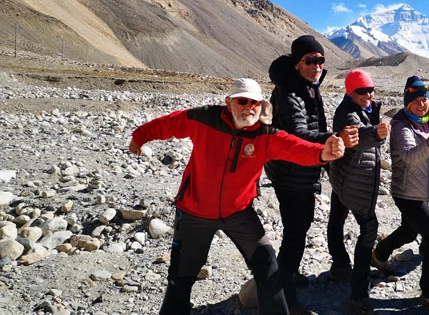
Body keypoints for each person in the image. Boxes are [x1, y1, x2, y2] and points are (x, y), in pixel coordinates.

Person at [128, 78, 345, 315]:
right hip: (194, 212)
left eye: (255, 103)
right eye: (243, 101)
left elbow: (295, 148)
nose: (249, 108)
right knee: (181, 276)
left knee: (267, 264)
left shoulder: (265, 135)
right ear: (228, 102)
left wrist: (323, 153)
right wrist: (139, 137)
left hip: (238, 212)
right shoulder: (204, 119)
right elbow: (169, 123)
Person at [265, 35, 359, 314]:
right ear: (297, 64)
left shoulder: (306, 85)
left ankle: (287, 278)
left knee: (299, 226)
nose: (316, 65)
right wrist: (333, 137)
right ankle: (285, 298)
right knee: (295, 231)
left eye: (320, 60)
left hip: (298, 169)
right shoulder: (290, 90)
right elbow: (296, 133)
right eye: (310, 61)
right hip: (290, 172)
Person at [372, 76, 429, 313]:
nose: (421, 104)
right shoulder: (401, 126)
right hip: (407, 192)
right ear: (407, 102)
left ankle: (379, 254)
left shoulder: (427, 121)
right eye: (416, 100)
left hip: (419, 190)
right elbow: (409, 158)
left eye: (425, 99)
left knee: (411, 230)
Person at [327, 69, 390, 315]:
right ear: (350, 92)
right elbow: (356, 135)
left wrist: (373, 120)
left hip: (343, 176)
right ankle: (358, 294)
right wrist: (374, 132)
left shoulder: (364, 108)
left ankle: (340, 265)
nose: (368, 94)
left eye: (370, 89)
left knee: (336, 218)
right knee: (368, 230)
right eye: (361, 91)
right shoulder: (347, 113)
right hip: (354, 182)